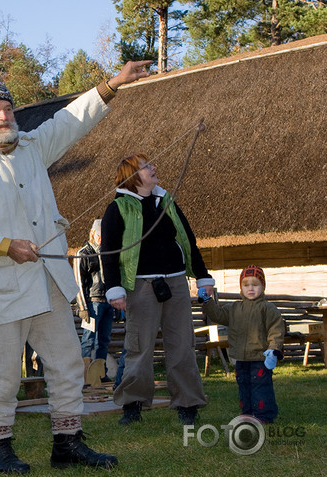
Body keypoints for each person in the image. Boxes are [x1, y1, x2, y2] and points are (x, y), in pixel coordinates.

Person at [0, 60, 151, 474]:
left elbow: (70, 121)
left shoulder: (32, 147)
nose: (4, 117)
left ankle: (67, 443)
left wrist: (112, 84)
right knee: (1, 375)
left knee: (68, 363)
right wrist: (5, 246)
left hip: (48, 282)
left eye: (8, 109)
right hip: (3, 286)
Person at [101, 153, 213, 427]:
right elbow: (108, 252)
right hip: (141, 286)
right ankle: (133, 405)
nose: (154, 168)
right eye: (147, 166)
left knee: (182, 345)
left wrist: (202, 276)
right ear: (132, 176)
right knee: (139, 347)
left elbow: (189, 241)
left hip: (175, 282)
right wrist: (114, 288)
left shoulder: (168, 203)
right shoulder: (118, 209)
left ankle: (187, 404)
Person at [199, 265, 284, 423]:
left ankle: (264, 415)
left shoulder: (268, 309)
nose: (250, 288)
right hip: (240, 358)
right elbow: (218, 315)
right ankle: (248, 412)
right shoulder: (234, 308)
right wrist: (207, 301)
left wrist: (273, 350)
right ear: (241, 287)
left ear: (263, 286)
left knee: (260, 387)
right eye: (246, 285)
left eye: (255, 284)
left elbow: (276, 331)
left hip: (261, 358)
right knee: (244, 387)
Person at [75, 219, 114, 382]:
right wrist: (83, 307)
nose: (101, 239)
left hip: (107, 302)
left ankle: (100, 374)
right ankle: (84, 376)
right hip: (92, 302)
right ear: (93, 233)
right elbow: (78, 282)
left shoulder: (108, 252)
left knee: (104, 340)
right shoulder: (83, 253)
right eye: (99, 235)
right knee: (88, 340)